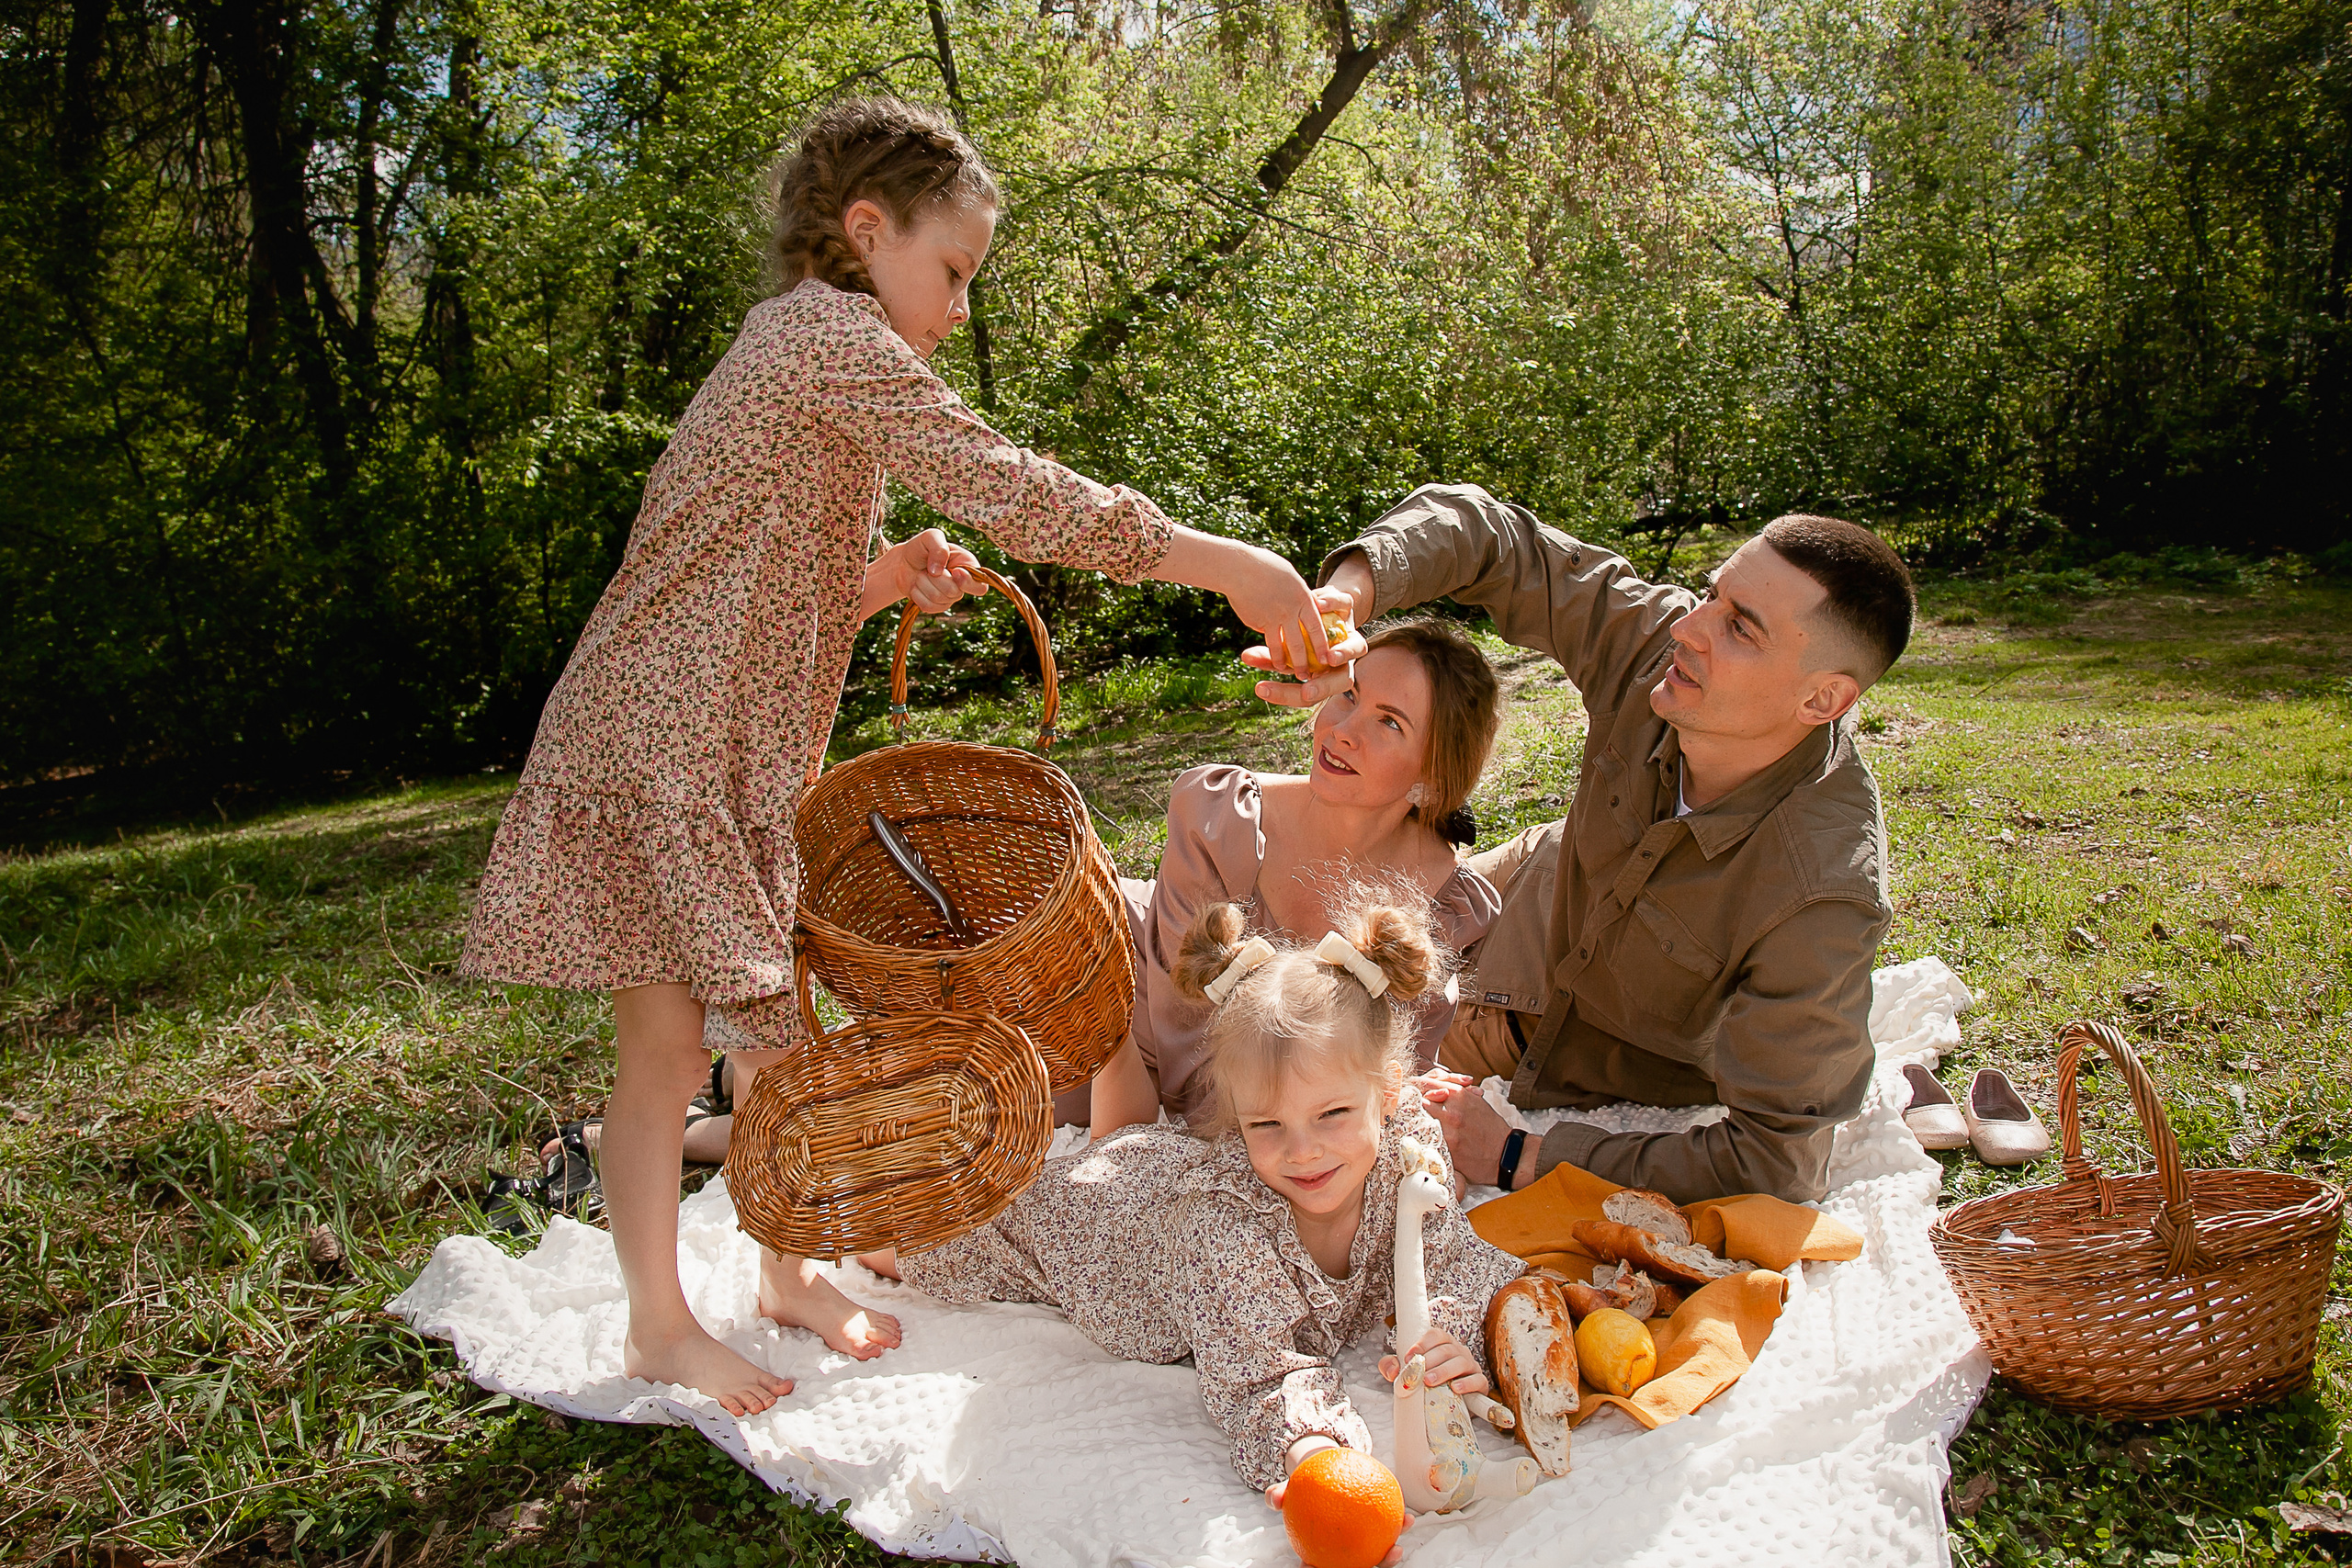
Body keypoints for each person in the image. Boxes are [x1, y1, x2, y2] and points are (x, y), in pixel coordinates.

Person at [459, 97, 1358, 1418]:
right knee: (665, 1046)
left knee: (773, 1033)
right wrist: (1227, 562)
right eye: (951, 271)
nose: (954, 307)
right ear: (866, 232)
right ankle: (659, 1318)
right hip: (664, 736)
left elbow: (748, 571)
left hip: (722, 739)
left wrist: (883, 574)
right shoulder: (824, 336)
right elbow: (1016, 488)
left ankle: (786, 1268)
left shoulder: (808, 357)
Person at [1255, 484, 1915, 1204]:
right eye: (1709, 594)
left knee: (1295, 1052)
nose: (1690, 628)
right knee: (1276, 930)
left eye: (1742, 629)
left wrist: (1521, 1152)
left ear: (1823, 700)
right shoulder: (1660, 648)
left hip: (1547, 1030)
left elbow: (1777, 1163)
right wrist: (1348, 595)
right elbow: (1496, 540)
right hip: (1528, 880)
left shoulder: (1822, 890)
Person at [859, 893, 1529, 1506]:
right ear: (1236, 1118)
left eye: (1331, 1113)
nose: (1304, 1151)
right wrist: (1312, 1456)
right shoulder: (1223, 1236)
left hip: (1156, 1175)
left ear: (1387, 1094)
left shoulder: (1406, 1148)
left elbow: (1450, 1255)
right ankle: (870, 1193)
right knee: (941, 1239)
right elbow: (1262, 1377)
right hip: (1105, 1239)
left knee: (1127, 1150)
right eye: (1267, 1124)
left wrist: (1452, 1329)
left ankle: (1111, 1096)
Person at [1079, 616, 1503, 1135]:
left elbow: (1387, 1075)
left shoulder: (1448, 903)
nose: (1343, 731)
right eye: (1348, 694)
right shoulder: (1219, 819)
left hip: (1269, 1103)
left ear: (1435, 772)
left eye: (1389, 722)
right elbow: (1189, 1065)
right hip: (1107, 1019)